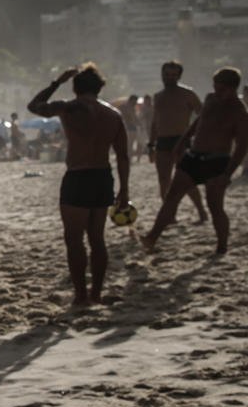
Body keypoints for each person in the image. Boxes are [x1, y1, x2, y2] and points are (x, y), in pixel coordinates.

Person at [28, 64, 130, 307]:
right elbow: (123, 155)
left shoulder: (68, 107)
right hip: (103, 177)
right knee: (97, 239)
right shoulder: (113, 114)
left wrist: (56, 82)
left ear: (75, 87)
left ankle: (81, 296)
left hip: (78, 176)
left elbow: (34, 106)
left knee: (74, 240)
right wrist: (124, 190)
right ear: (100, 87)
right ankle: (95, 293)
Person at [143, 67, 248, 257]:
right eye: (215, 86)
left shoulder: (239, 111)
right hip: (193, 157)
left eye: (221, 88)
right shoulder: (210, 99)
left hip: (217, 162)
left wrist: (227, 174)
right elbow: (198, 123)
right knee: (171, 198)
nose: (217, 90)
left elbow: (241, 147)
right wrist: (182, 142)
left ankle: (222, 246)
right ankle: (152, 237)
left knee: (215, 207)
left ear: (232, 88)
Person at [149, 61, 209, 228]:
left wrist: (195, 134)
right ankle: (170, 215)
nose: (169, 78)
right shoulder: (158, 96)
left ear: (179, 76)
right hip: (163, 142)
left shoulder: (187, 93)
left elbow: (203, 115)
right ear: (162, 75)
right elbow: (155, 122)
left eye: (173, 75)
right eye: (167, 74)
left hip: (182, 140)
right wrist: (150, 144)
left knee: (187, 180)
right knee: (164, 180)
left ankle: (202, 211)